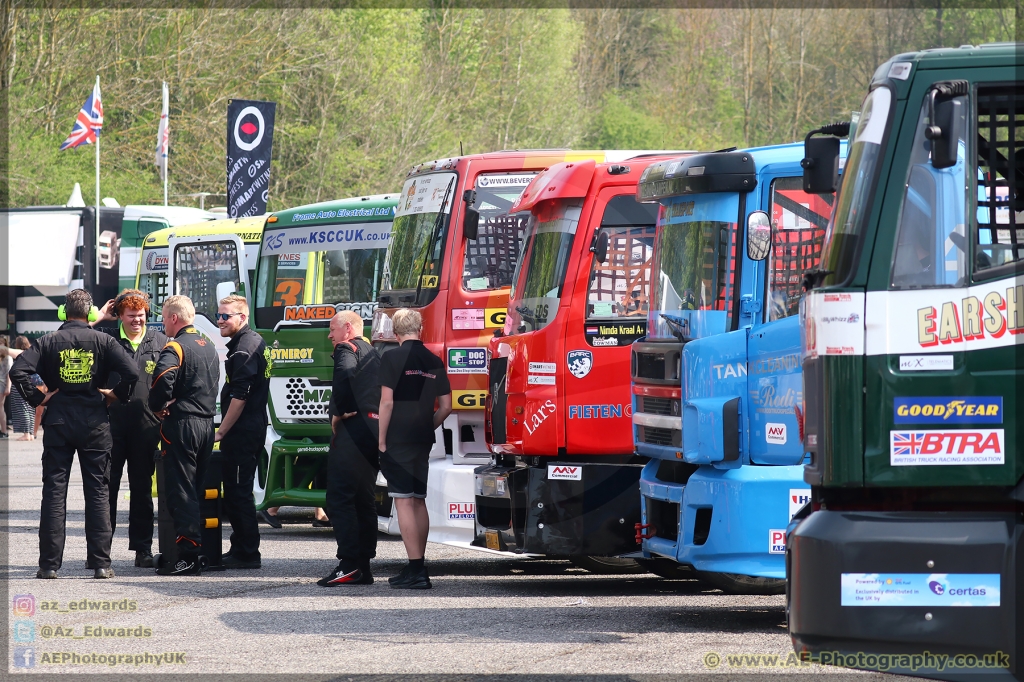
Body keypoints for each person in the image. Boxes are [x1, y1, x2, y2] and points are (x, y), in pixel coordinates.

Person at [9, 289, 139, 579]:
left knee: (54, 492)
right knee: (98, 491)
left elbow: (18, 371)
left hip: (58, 421)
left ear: (63, 313)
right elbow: (132, 372)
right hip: (95, 421)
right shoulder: (103, 340)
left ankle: (49, 565)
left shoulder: (47, 341)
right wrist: (115, 395)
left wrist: (38, 398)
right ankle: (101, 564)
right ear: (91, 313)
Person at [91, 290, 167, 568]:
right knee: (105, 490)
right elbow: (76, 333)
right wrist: (98, 318)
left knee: (142, 490)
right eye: (131, 315)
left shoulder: (160, 341)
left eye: (141, 315)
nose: (137, 320)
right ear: (120, 315)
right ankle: (101, 552)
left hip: (147, 427)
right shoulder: (106, 340)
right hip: (110, 426)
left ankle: (142, 549)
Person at [377, 308, 452, 590]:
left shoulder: (392, 357)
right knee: (418, 500)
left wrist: (382, 439)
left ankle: (416, 569)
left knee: (403, 501)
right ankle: (419, 566)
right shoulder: (433, 359)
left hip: (397, 437)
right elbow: (446, 407)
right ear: (420, 329)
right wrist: (427, 426)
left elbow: (386, 403)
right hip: (423, 438)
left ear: (395, 332)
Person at [149, 295, 219, 576]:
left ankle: (188, 556)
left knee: (181, 491)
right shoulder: (210, 345)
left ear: (174, 318)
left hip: (183, 425)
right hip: (207, 425)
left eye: (164, 317)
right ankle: (199, 552)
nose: (163, 322)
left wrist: (158, 406)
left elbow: (162, 376)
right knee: (196, 490)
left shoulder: (175, 346)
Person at [318, 311, 381, 586]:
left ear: (347, 328)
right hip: (374, 429)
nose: (330, 336)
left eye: (332, 330)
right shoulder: (374, 352)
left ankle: (349, 563)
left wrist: (339, 411)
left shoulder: (347, 347)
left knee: (339, 497)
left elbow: (344, 373)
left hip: (353, 431)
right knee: (363, 498)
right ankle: (363, 566)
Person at [215, 294, 269, 570]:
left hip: (243, 431)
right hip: (250, 428)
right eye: (219, 315)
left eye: (226, 316)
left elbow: (241, 396)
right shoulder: (249, 341)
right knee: (237, 489)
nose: (220, 320)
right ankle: (240, 546)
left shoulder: (244, 348)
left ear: (242, 317)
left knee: (238, 491)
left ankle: (248, 552)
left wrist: (221, 432)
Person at [10, 336, 35, 440]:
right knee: (30, 408)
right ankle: (30, 433)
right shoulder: (31, 353)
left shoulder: (20, 354)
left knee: (22, 408)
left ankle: (26, 434)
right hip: (30, 383)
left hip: (20, 384)